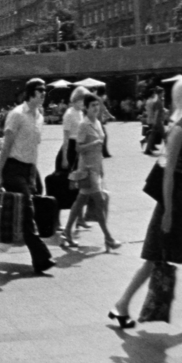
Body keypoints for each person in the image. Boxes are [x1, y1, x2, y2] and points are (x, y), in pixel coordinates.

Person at [110, 76, 182, 332]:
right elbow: (167, 175)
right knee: (159, 259)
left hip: (181, 205)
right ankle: (123, 304)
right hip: (175, 206)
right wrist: (167, 211)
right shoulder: (179, 132)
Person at [0, 78, 54, 275]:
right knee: (26, 211)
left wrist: (33, 174)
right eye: (40, 91)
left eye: (44, 91)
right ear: (30, 93)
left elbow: (34, 148)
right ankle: (41, 258)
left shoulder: (39, 117)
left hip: (28, 169)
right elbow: (6, 147)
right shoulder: (17, 115)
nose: (44, 94)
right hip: (12, 168)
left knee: (11, 207)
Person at [61, 93, 122, 250]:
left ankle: (67, 231)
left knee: (80, 201)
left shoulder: (97, 123)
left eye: (97, 105)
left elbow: (100, 148)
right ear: (86, 108)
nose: (96, 108)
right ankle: (108, 238)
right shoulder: (84, 124)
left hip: (96, 168)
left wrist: (101, 168)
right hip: (87, 169)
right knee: (100, 201)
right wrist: (93, 144)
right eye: (92, 105)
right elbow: (78, 148)